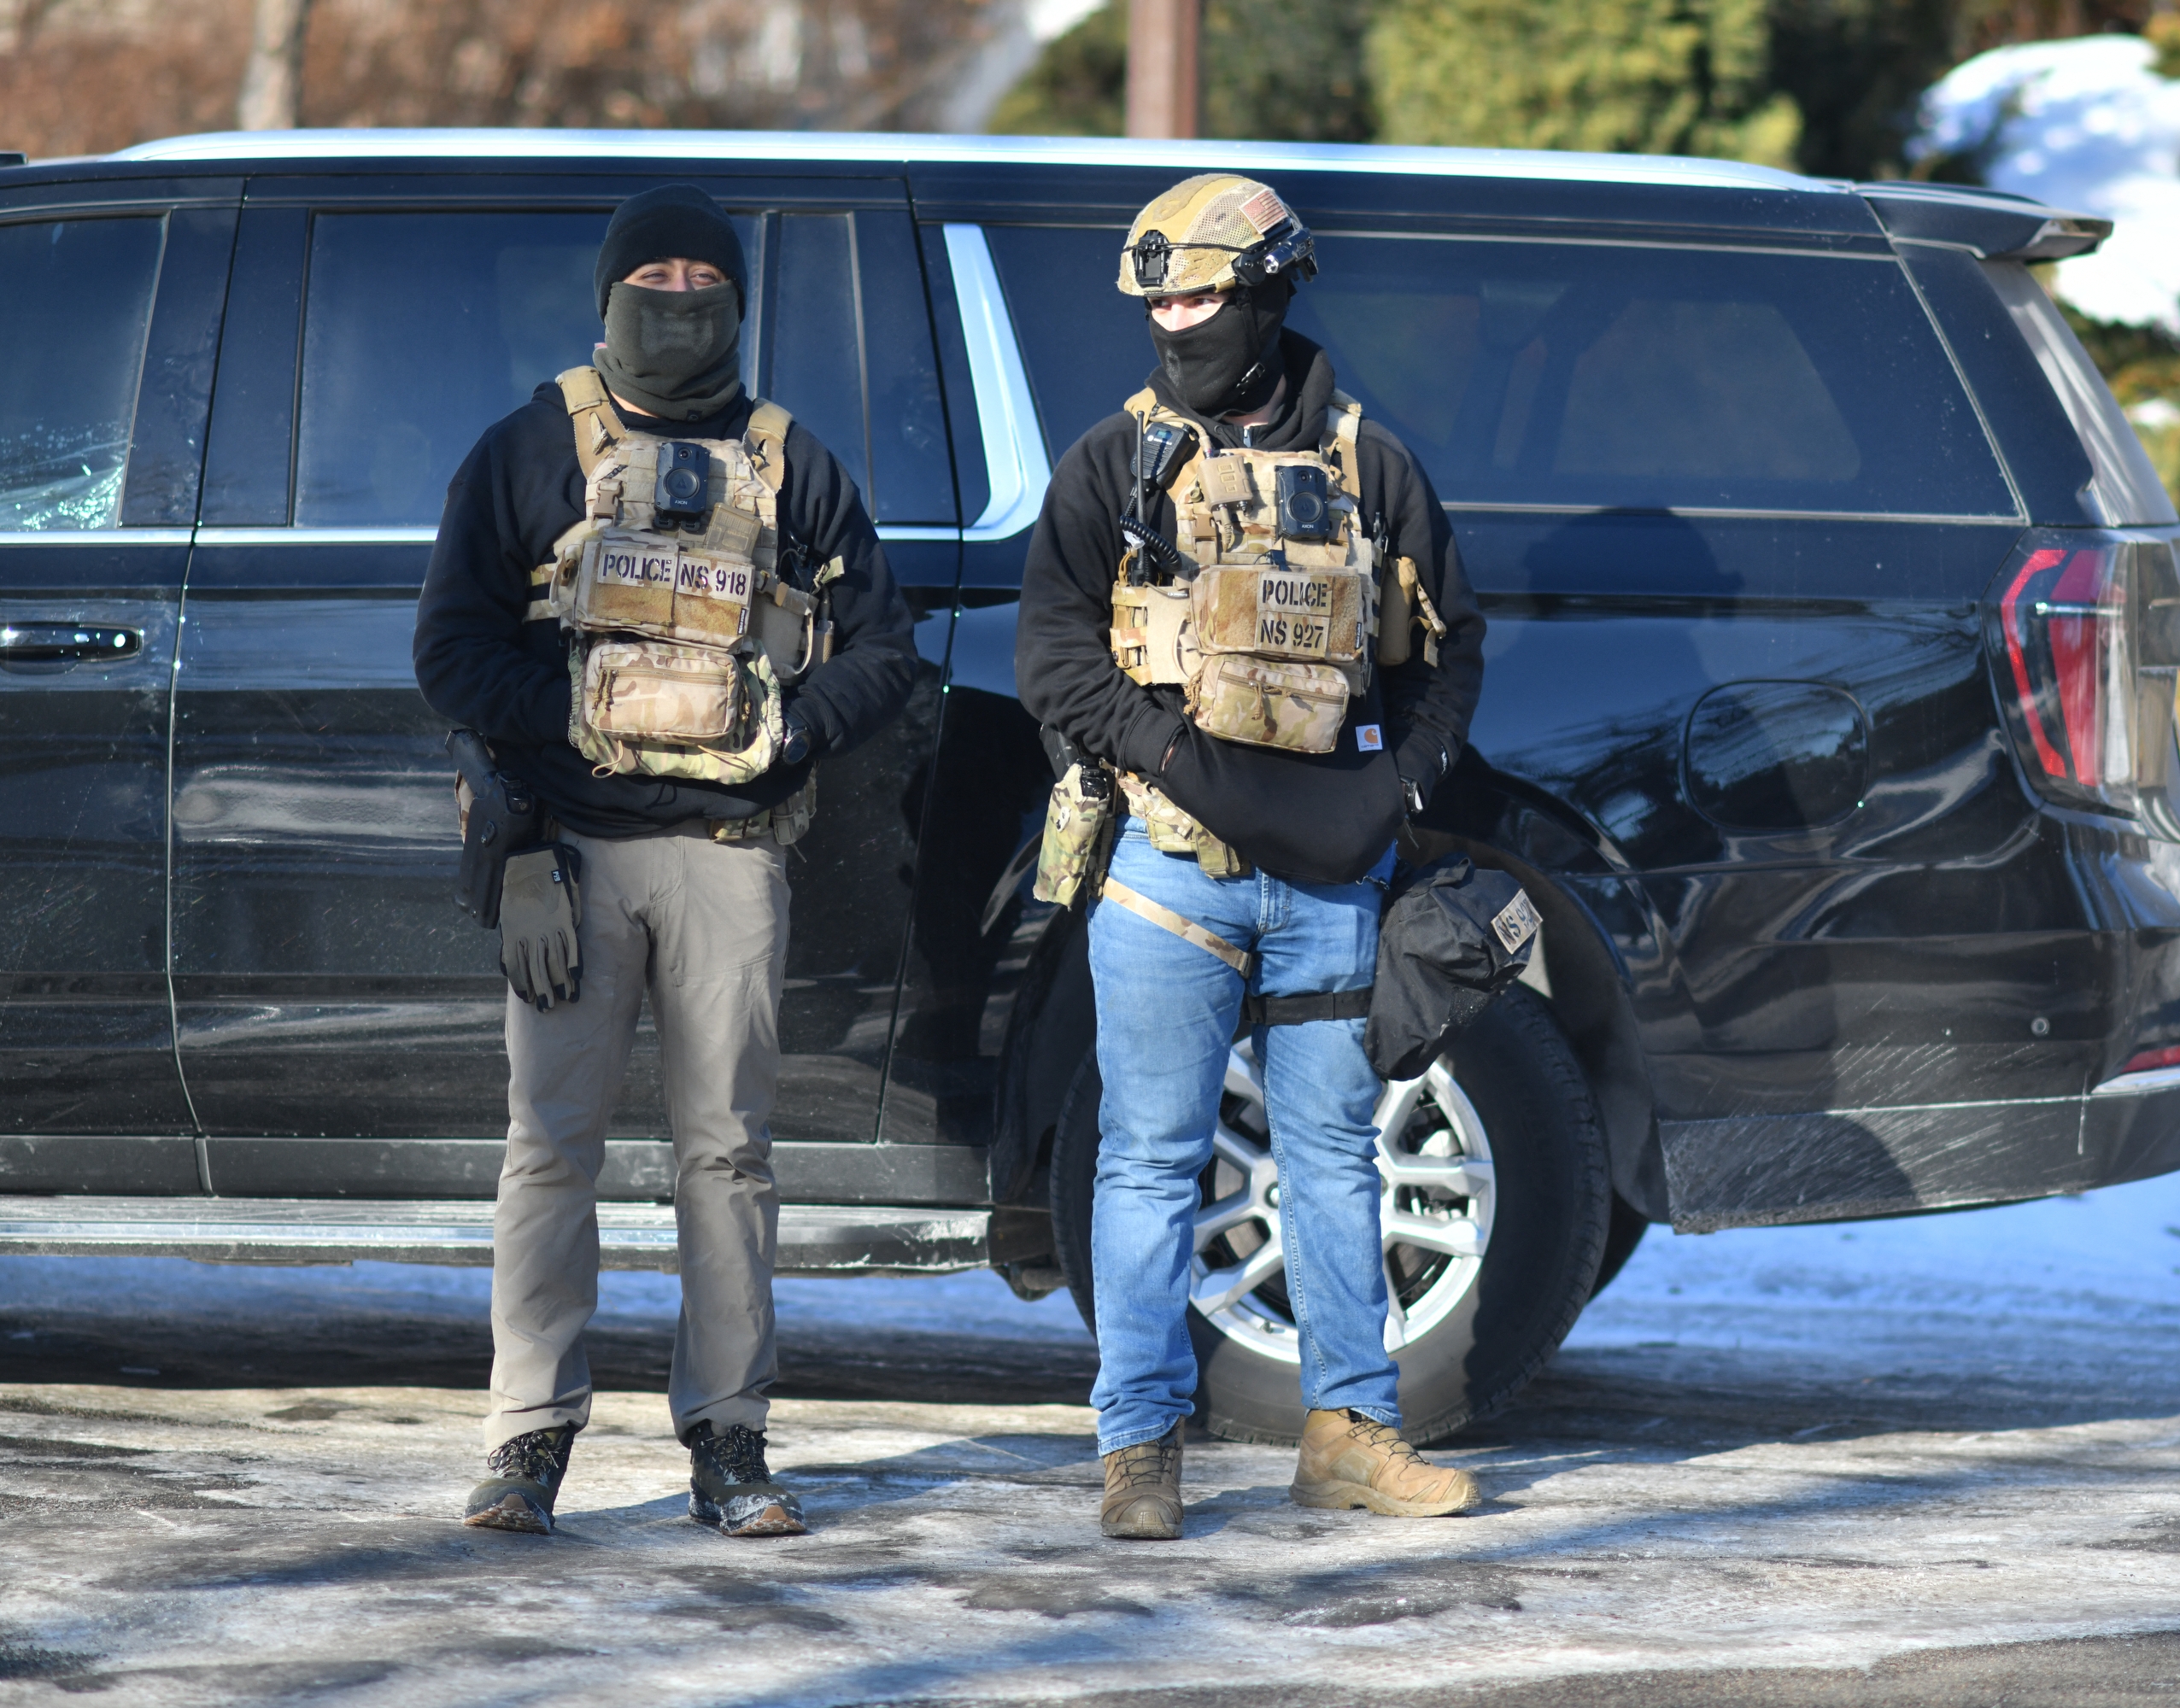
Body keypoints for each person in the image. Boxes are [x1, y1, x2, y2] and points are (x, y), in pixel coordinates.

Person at [413, 184, 917, 1540]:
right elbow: (451, 655)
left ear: (740, 303)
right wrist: (563, 733)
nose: (680, 298)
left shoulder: (789, 464)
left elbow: (886, 649)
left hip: (728, 854)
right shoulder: (528, 449)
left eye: (707, 278)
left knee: (729, 1158)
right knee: (549, 1155)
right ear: (609, 292)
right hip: (569, 856)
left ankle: (732, 1443)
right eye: (657, 276)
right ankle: (527, 1444)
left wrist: (792, 726)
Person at [1016, 173, 1489, 1540]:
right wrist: (1176, 765)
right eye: (1156, 301)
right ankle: (1139, 1450)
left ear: (1271, 291)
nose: (1174, 321)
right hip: (1167, 871)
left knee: (1337, 1160)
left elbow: (1449, 660)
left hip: (1333, 880)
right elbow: (1050, 655)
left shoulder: (1370, 466)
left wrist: (1390, 796)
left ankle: (1354, 1432)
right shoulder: (1113, 465)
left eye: (1199, 295)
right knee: (1150, 1163)